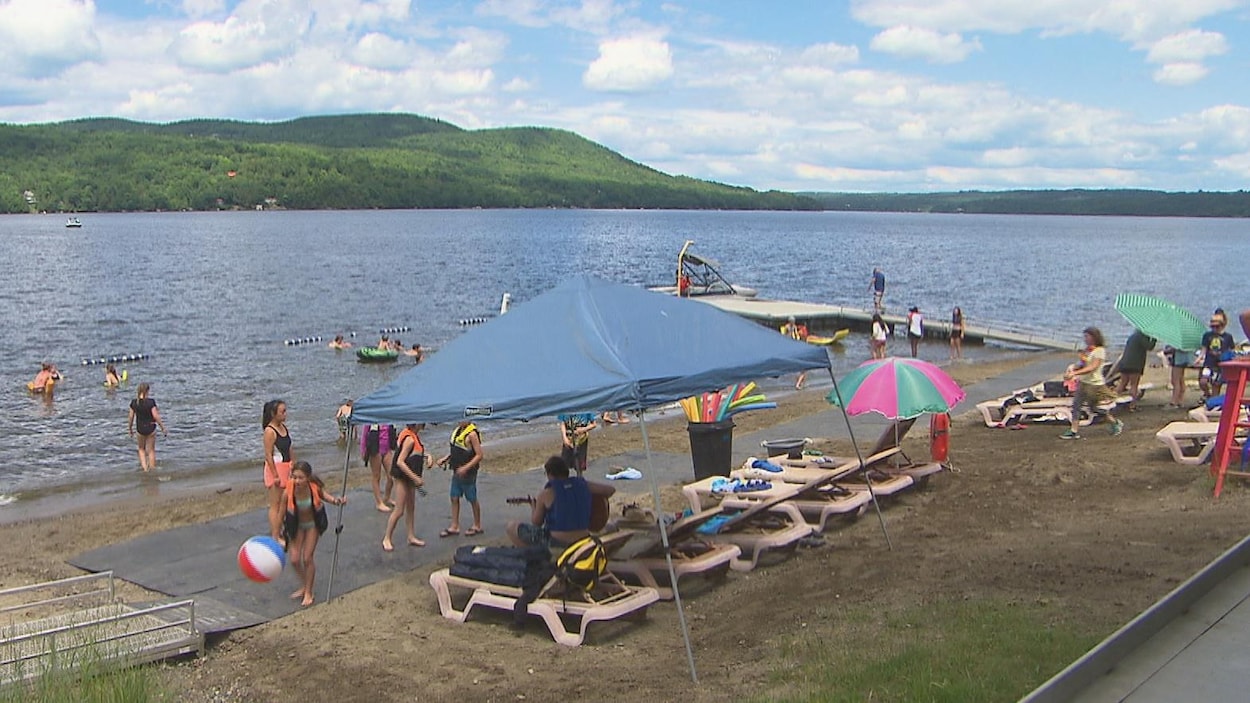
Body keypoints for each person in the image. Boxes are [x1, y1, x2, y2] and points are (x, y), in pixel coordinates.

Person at [507, 455, 616, 549]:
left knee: (511, 527)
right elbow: (610, 490)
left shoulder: (546, 494)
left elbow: (536, 523)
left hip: (557, 542)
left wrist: (533, 507)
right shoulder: (584, 485)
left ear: (549, 474)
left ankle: (533, 555)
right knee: (610, 527)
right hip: (583, 539)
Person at [283, 461, 346, 607]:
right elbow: (281, 512)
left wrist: (338, 501)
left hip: (312, 526)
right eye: (294, 477)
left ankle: (308, 592)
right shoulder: (289, 491)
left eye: (300, 478)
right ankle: (305, 584)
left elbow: (328, 497)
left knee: (307, 558)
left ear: (308, 478)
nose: (297, 481)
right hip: (296, 526)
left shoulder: (314, 489)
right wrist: (277, 533)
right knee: (294, 559)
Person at [1060, 327, 1122, 440]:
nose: (1085, 339)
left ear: (1094, 337)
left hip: (1095, 385)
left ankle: (1114, 422)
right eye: (1085, 336)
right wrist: (1072, 368)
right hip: (1083, 382)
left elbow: (1093, 367)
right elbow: (1081, 363)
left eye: (1087, 336)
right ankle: (1074, 430)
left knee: (1093, 408)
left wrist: (1075, 373)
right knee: (1076, 405)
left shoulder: (1100, 351)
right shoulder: (1088, 350)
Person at [383, 423, 428, 551]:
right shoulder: (409, 439)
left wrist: (427, 456)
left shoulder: (412, 435)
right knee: (399, 510)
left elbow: (415, 453)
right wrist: (415, 478)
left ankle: (411, 536)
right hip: (402, 477)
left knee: (411, 507)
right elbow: (400, 462)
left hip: (409, 478)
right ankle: (387, 538)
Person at [437, 420, 484, 538]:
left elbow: (479, 455)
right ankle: (454, 525)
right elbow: (456, 449)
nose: (459, 421)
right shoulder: (458, 431)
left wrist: (466, 468)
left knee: (472, 498)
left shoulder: (472, 434)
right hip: (456, 471)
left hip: (469, 473)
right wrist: (446, 458)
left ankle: (477, 525)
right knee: (454, 497)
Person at [262, 399, 294, 545]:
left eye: (285, 411)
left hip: (286, 466)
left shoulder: (283, 427)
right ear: (273, 414)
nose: (285, 414)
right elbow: (268, 454)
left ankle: (281, 530)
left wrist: (293, 463)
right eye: (282, 411)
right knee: (276, 504)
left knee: (284, 501)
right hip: (276, 468)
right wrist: (275, 475)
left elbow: (289, 447)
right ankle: (275, 535)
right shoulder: (270, 431)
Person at [128, 382, 167, 472]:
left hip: (140, 429)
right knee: (151, 451)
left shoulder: (134, 403)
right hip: (151, 428)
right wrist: (162, 427)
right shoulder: (151, 402)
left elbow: (130, 417)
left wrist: (130, 429)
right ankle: (152, 469)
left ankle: (145, 469)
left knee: (141, 449)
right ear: (147, 391)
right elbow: (155, 416)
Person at [1114, 331, 1156, 411]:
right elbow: (1149, 347)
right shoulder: (1142, 336)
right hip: (1135, 364)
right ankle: (1132, 405)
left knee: (1122, 384)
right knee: (1134, 385)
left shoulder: (1133, 335)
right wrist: (1154, 338)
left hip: (1125, 363)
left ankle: (1112, 402)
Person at [1198, 314, 1235, 401]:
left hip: (1220, 365)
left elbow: (1232, 351)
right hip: (1209, 363)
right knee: (1203, 381)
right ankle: (1207, 394)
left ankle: (1212, 402)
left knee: (1216, 385)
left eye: (1217, 326)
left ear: (1222, 325)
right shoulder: (1207, 335)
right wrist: (1199, 358)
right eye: (1212, 326)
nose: (1214, 328)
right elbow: (1204, 348)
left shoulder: (1228, 337)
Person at [360, 423, 396, 512]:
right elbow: (364, 436)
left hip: (387, 449)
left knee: (392, 476)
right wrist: (363, 451)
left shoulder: (387, 417)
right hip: (375, 449)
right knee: (376, 476)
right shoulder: (371, 419)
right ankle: (379, 503)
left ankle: (386, 498)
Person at [558, 412, 597, 476]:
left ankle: (579, 478)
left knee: (579, 463)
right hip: (568, 438)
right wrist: (564, 437)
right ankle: (564, 481)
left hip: (581, 439)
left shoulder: (586, 410)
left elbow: (594, 424)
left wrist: (583, 429)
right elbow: (562, 423)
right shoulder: (565, 408)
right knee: (564, 463)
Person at [781, 316, 809, 389]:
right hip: (792, 342)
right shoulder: (787, 327)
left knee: (803, 371)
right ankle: (798, 384)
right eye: (792, 321)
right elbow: (786, 334)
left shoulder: (795, 327)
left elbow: (796, 334)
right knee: (803, 371)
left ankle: (800, 383)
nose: (793, 322)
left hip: (795, 343)